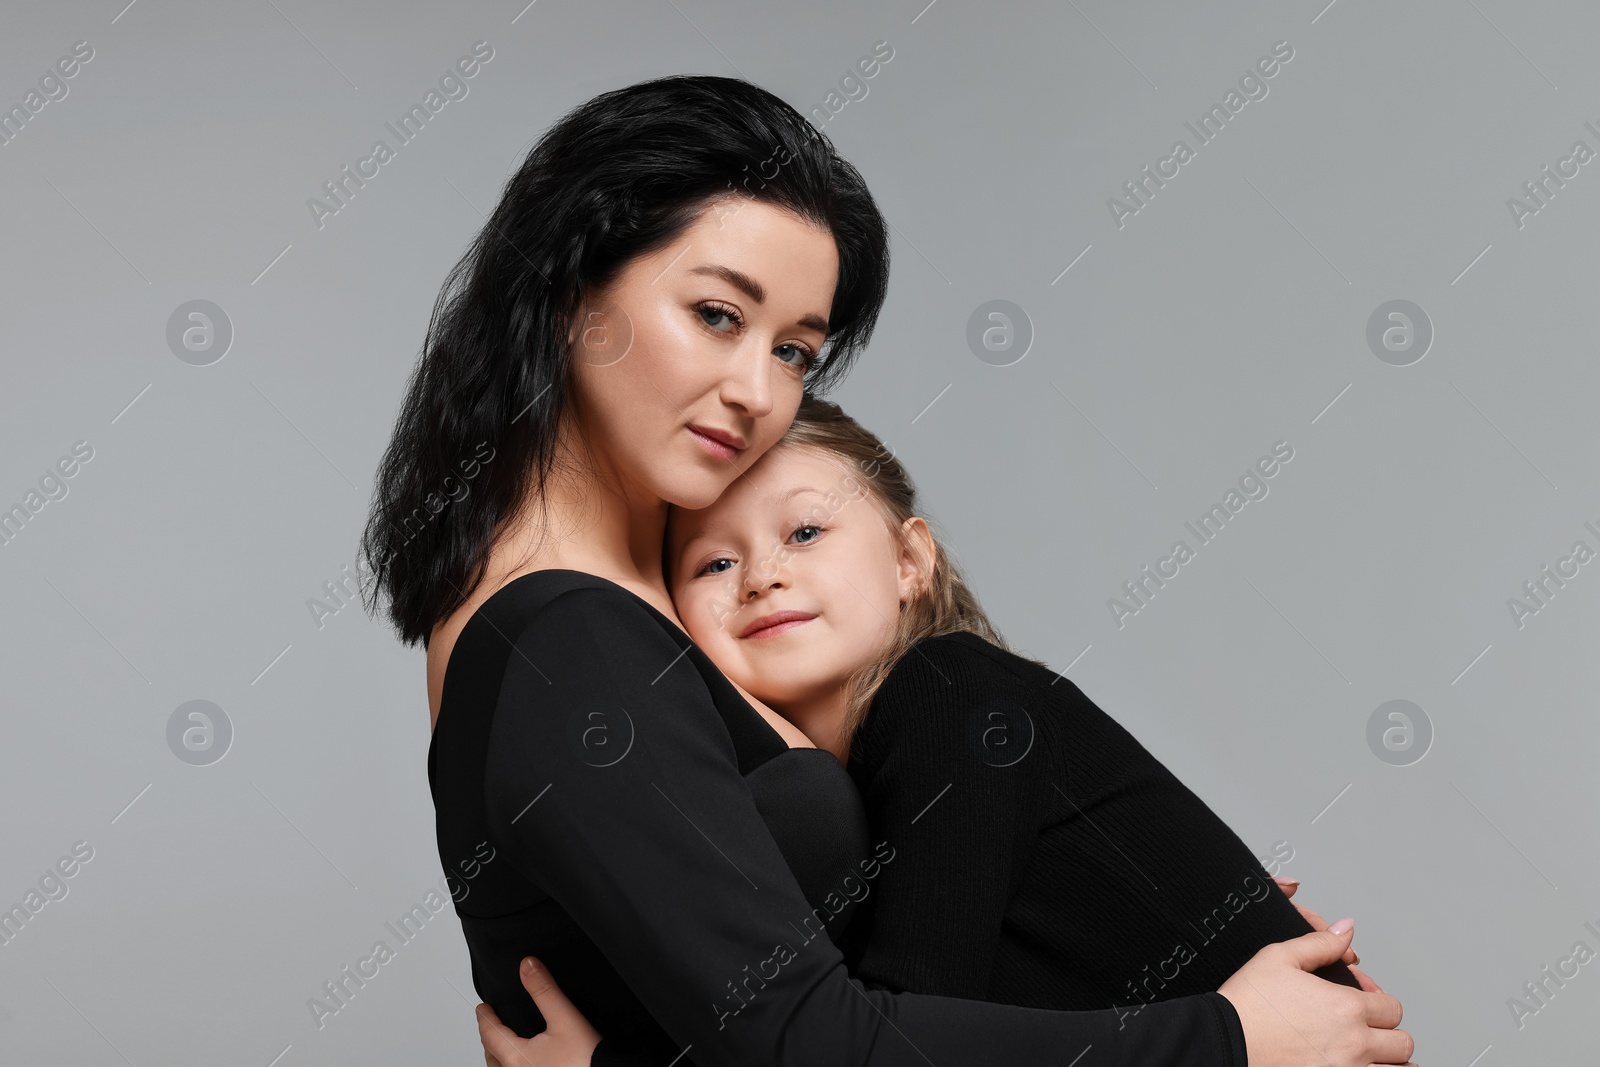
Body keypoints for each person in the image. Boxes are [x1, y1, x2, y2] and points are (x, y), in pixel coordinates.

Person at [361, 73, 1414, 1066]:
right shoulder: (567, 643)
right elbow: (816, 1040)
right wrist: (1223, 1035)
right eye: (718, 314)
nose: (754, 391)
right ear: (568, 288)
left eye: (794, 351)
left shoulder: (653, 612)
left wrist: (1173, 922)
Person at [475, 396, 1411, 1067]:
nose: (760, 575)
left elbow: (892, 1043)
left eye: (805, 532)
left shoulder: (949, 693)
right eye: (713, 561)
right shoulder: (868, 799)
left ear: (909, 559)